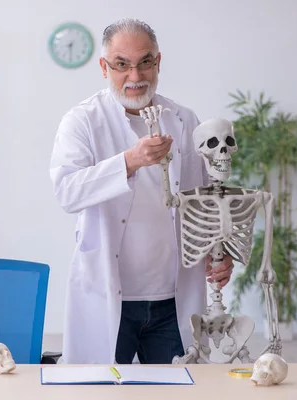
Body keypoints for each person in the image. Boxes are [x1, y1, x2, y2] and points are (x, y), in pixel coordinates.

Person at [49, 18, 235, 365]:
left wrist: (217, 252)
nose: (135, 77)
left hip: (172, 300)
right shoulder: (83, 121)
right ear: (104, 67)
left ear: (158, 62)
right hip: (109, 296)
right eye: (122, 65)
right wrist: (129, 161)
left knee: (180, 388)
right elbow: (67, 192)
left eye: (145, 62)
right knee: (99, 389)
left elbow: (202, 202)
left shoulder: (183, 120)